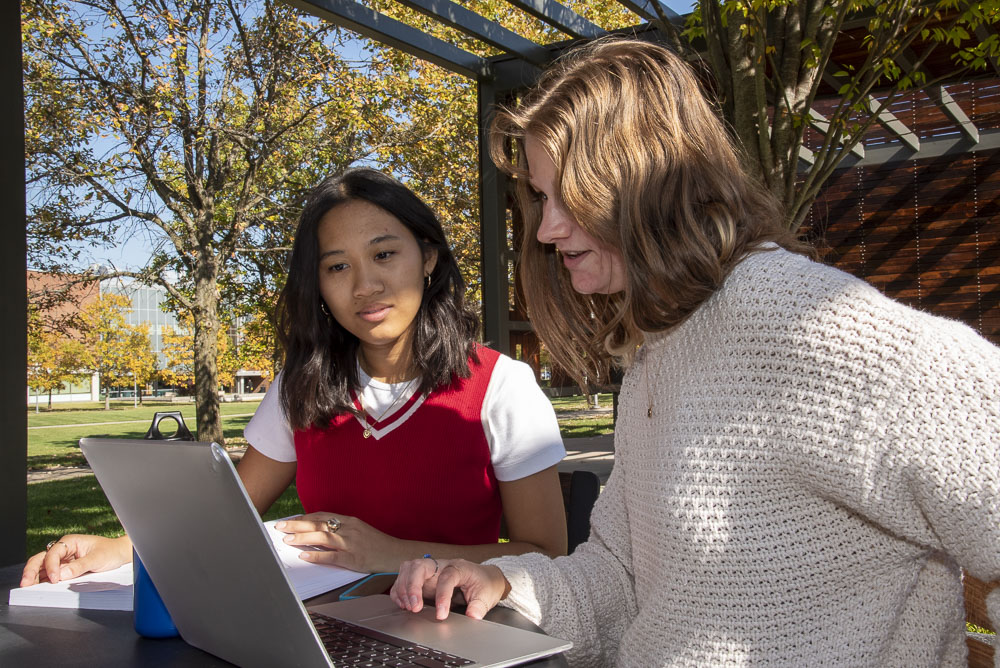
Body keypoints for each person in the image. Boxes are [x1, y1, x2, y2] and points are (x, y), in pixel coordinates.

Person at [389, 37, 1000, 666]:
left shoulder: (805, 325)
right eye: (542, 198)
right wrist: (508, 584)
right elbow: (624, 577)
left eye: (567, 194)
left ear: (646, 180)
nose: (546, 229)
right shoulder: (660, 345)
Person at [21, 168, 568, 587]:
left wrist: (392, 552)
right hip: (322, 631)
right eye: (337, 266)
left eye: (384, 254)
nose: (364, 285)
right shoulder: (300, 384)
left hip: (457, 635)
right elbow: (227, 513)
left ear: (428, 258)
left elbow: (548, 556)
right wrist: (117, 549)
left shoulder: (502, 385)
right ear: (319, 286)